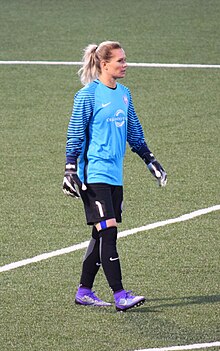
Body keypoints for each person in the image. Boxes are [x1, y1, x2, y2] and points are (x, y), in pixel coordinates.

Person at [62, 41, 167, 312]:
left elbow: (134, 132)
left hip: (113, 176)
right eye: (119, 60)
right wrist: (70, 169)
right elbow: (75, 132)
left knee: (100, 234)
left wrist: (150, 159)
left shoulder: (124, 94)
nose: (125, 64)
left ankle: (84, 290)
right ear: (104, 64)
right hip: (92, 174)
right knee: (109, 231)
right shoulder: (88, 95)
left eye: (124, 59)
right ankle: (120, 295)